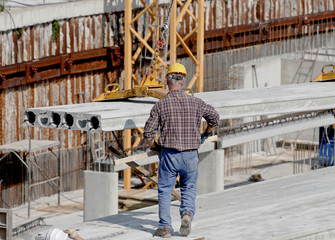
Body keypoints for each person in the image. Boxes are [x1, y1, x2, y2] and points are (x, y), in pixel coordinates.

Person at [143, 63, 219, 238]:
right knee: (189, 186)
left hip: (169, 154)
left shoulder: (161, 105)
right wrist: (205, 134)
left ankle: (165, 228)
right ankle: (186, 214)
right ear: (183, 80)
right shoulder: (196, 102)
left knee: (164, 189)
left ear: (167, 81)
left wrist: (154, 147)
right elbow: (215, 118)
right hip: (191, 154)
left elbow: (148, 132)